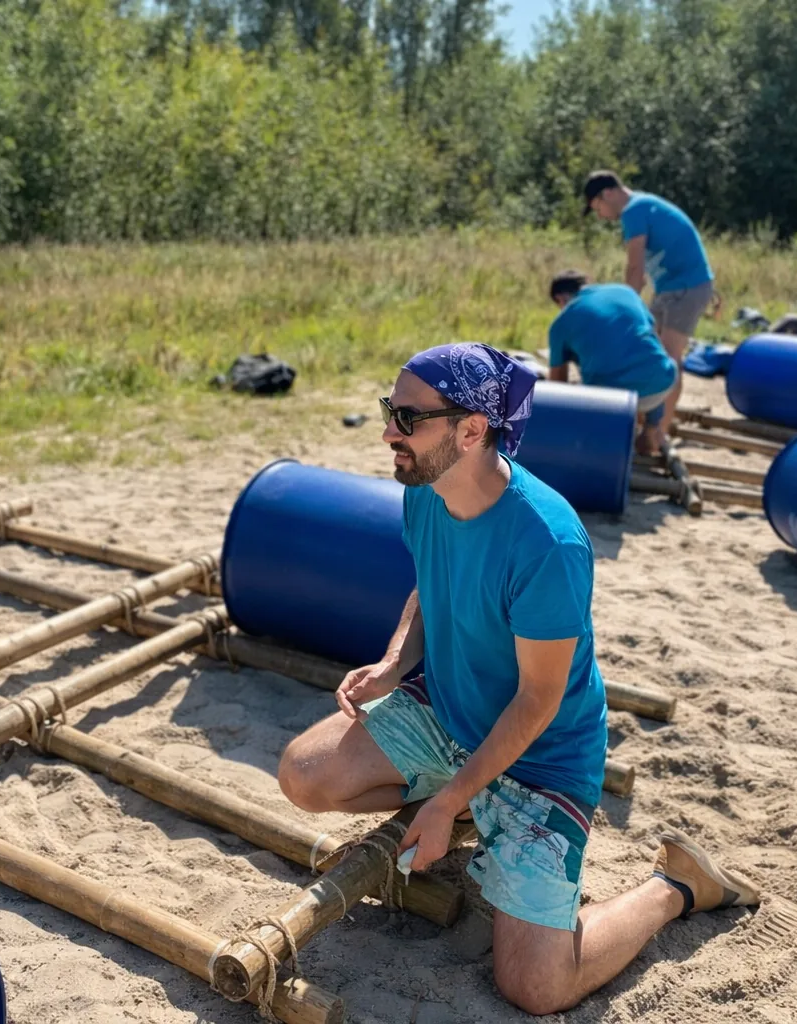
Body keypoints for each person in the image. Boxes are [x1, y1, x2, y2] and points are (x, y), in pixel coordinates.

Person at [276, 342, 759, 1015]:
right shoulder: (425, 489)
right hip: (448, 710)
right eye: (390, 411)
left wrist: (446, 803)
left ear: (471, 430)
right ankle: (466, 799)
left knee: (536, 988)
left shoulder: (547, 542)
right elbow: (428, 585)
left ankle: (677, 886)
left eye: (407, 418)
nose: (389, 430)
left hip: (541, 757)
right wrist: (395, 664)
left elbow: (538, 701)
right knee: (305, 773)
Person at [583, 170, 714, 438]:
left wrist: (625, 311)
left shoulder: (634, 210)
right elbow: (640, 275)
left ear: (608, 193)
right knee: (649, 354)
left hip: (687, 288)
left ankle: (659, 434)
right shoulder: (640, 206)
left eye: (598, 209)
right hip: (669, 289)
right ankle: (648, 422)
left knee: (667, 361)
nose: (601, 216)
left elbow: (635, 268)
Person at [546, 270, 680, 455]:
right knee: (648, 362)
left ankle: (610, 439)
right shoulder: (625, 291)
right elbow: (651, 333)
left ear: (560, 299)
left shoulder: (562, 322)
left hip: (614, 403)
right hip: (663, 384)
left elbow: (557, 386)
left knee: (595, 386)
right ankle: (652, 427)